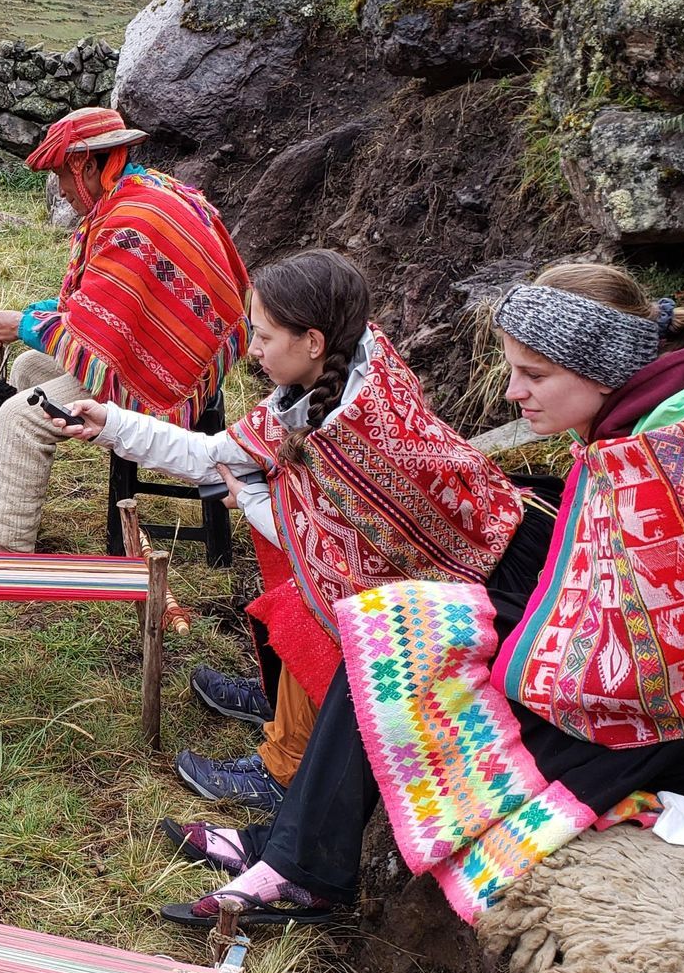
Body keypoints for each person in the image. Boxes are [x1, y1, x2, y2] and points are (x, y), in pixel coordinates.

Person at [159, 264, 684, 926]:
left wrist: (491, 667)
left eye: (534, 375)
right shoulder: (680, 419)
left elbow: (650, 669)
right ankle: (297, 857)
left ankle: (298, 866)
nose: (513, 393)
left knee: (418, 672)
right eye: (513, 369)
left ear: (602, 370)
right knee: (394, 633)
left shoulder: (658, 462)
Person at [52, 249, 542, 810]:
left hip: (480, 587)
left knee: (316, 604)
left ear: (311, 341)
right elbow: (219, 456)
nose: (253, 350)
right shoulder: (336, 370)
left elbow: (341, 561)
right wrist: (109, 422)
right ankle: (279, 698)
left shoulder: (361, 430)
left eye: (262, 337)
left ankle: (286, 765)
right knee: (294, 556)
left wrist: (255, 500)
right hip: (423, 562)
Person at [0, 107, 250, 554]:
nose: (61, 189)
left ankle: (7, 545)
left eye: (63, 174)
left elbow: (98, 332)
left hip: (163, 377)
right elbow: (95, 306)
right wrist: (33, 316)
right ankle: (8, 492)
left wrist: (23, 323)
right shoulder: (144, 192)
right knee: (27, 368)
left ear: (89, 165)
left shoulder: (131, 220)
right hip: (177, 355)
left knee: (20, 416)